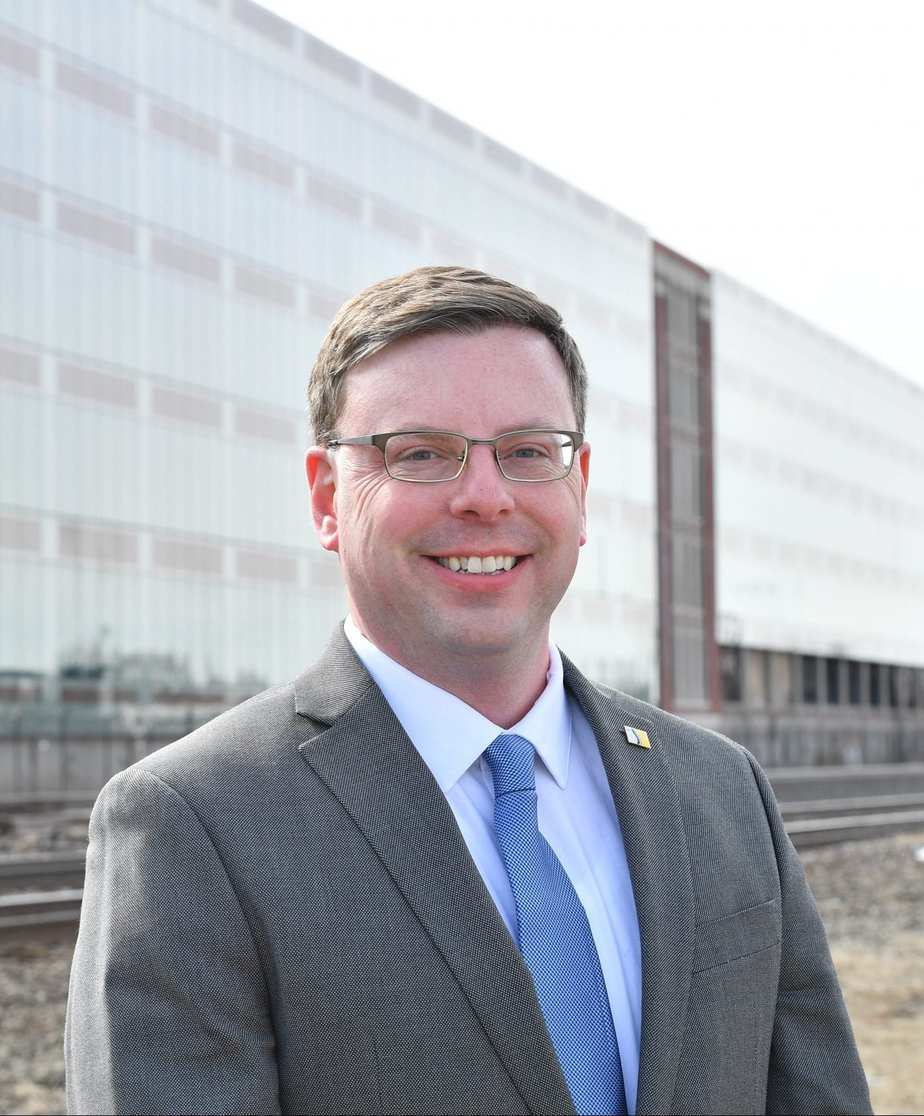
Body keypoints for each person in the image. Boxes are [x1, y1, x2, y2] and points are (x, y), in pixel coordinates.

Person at [65, 266, 871, 1116]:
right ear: (327, 497)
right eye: (419, 453)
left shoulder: (721, 788)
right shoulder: (194, 823)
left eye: (528, 451)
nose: (485, 496)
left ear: (581, 486)